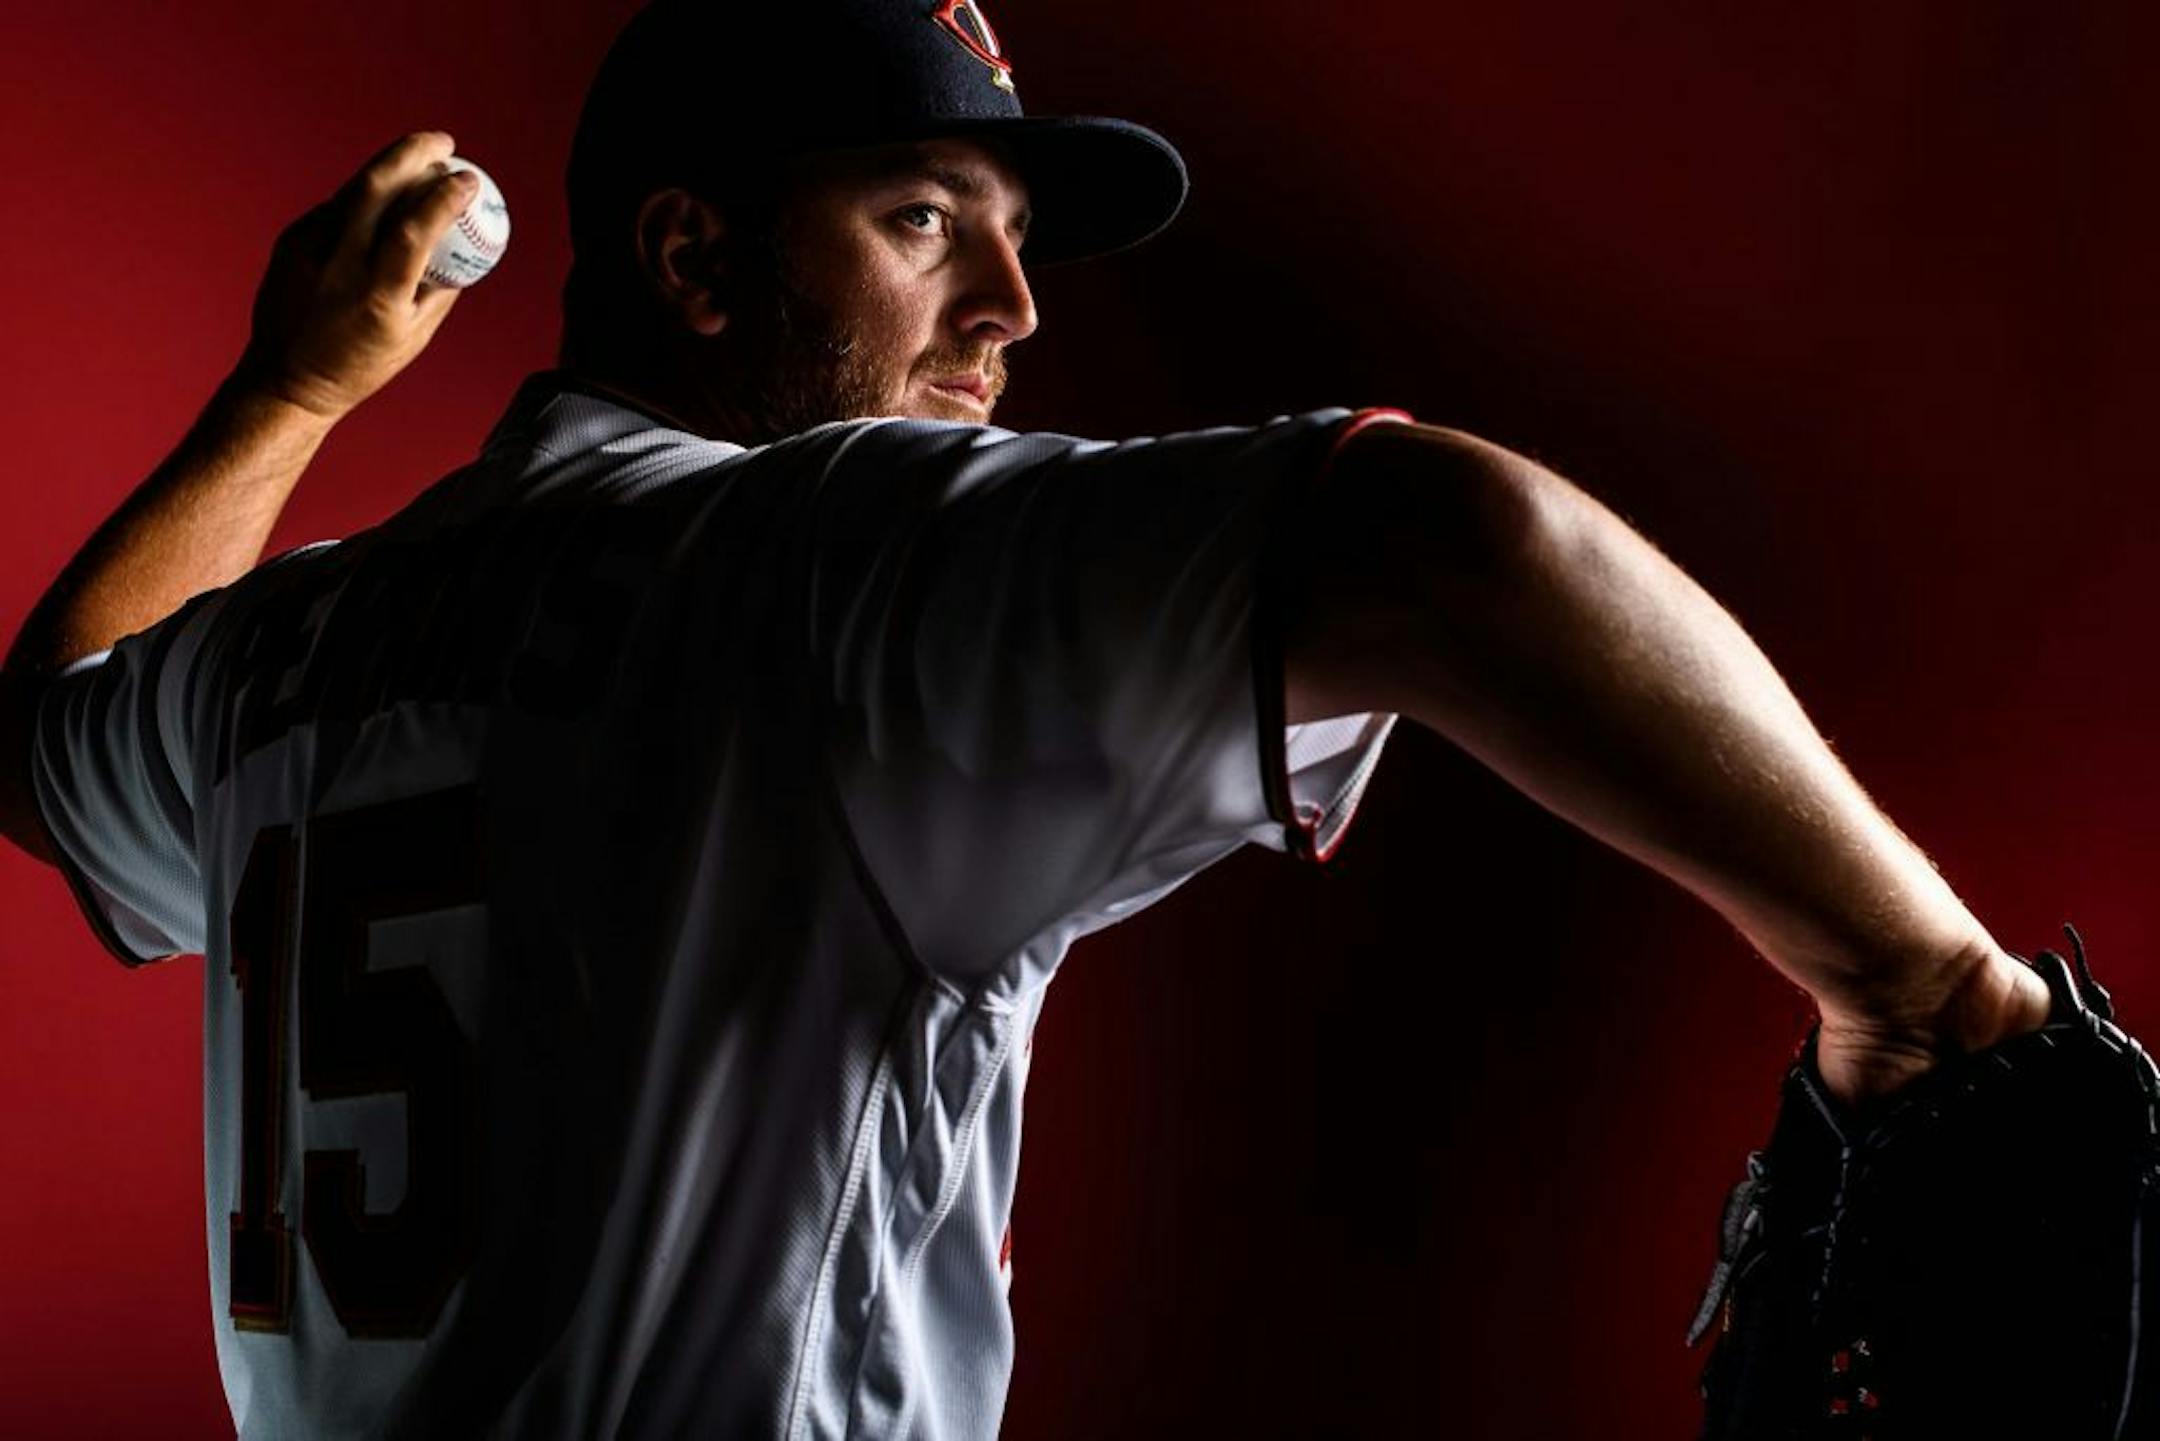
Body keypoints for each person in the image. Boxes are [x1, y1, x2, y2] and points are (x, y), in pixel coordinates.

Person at [0, 0, 2054, 1436]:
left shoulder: (289, 652)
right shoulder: (826, 559)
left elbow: (44, 752)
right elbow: (1446, 535)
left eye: (1011, 237)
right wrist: (1921, 982)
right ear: (694, 258)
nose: (1014, 306)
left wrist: (292, 391)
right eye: (921, 222)